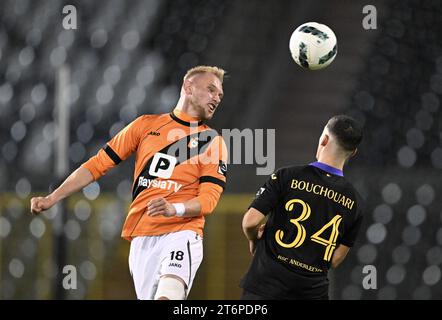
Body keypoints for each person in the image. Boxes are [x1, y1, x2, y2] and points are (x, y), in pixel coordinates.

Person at [30, 65, 228, 300]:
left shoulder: (212, 142)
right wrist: (52, 197)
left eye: (220, 95)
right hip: (141, 237)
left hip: (182, 232)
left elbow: (209, 200)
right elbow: (97, 165)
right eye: (211, 90)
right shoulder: (145, 125)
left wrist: (173, 209)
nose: (217, 97)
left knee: (169, 295)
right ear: (188, 87)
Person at [240, 115, 364, 300]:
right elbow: (336, 259)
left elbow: (250, 222)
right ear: (353, 152)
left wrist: (254, 239)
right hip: (311, 293)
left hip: (266, 286)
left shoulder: (287, 176)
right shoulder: (356, 201)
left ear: (324, 139)